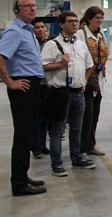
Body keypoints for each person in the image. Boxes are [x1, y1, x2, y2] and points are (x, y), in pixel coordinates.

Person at [0, 0, 47, 196]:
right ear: (17, 10)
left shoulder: (28, 31)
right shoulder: (14, 32)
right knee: (23, 136)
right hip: (23, 87)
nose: (33, 9)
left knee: (28, 134)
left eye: (34, 5)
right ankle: (19, 184)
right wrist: (10, 82)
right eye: (28, 6)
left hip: (33, 86)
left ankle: (23, 176)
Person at [41, 11, 96, 177]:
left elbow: (89, 65)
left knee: (76, 129)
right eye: (70, 21)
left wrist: (84, 82)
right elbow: (42, 67)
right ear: (61, 24)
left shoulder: (81, 44)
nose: (74, 24)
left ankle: (77, 157)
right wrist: (60, 64)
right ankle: (56, 164)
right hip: (60, 93)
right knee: (58, 131)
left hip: (78, 92)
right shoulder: (52, 45)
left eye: (75, 21)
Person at [76, 6, 108, 157]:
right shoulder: (80, 35)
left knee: (95, 114)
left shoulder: (100, 35)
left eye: (101, 18)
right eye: (97, 18)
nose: (100, 21)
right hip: (86, 80)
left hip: (99, 80)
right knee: (87, 115)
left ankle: (90, 144)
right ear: (89, 19)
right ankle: (83, 146)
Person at [30, 18, 50, 159]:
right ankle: (35, 146)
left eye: (43, 27)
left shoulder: (49, 44)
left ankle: (42, 145)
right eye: (37, 27)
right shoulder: (32, 44)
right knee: (36, 118)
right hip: (37, 84)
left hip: (48, 85)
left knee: (45, 117)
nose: (41, 29)